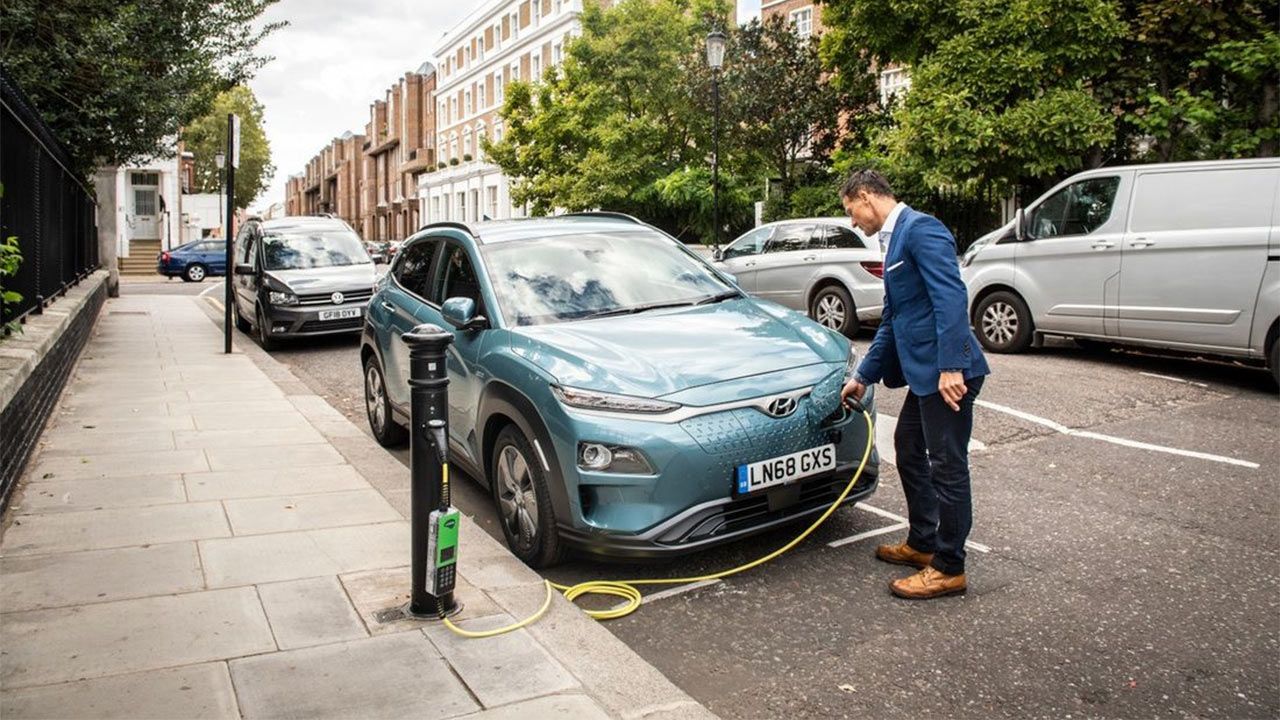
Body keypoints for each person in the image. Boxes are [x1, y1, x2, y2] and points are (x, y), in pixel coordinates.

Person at [838, 170, 990, 600]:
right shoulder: (895, 239)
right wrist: (862, 376)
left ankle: (949, 567)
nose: (853, 222)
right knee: (907, 448)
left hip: (948, 377)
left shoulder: (921, 229)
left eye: (852, 212)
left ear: (866, 198)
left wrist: (951, 366)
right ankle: (924, 543)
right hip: (927, 378)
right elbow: (894, 318)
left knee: (948, 468)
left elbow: (951, 297)